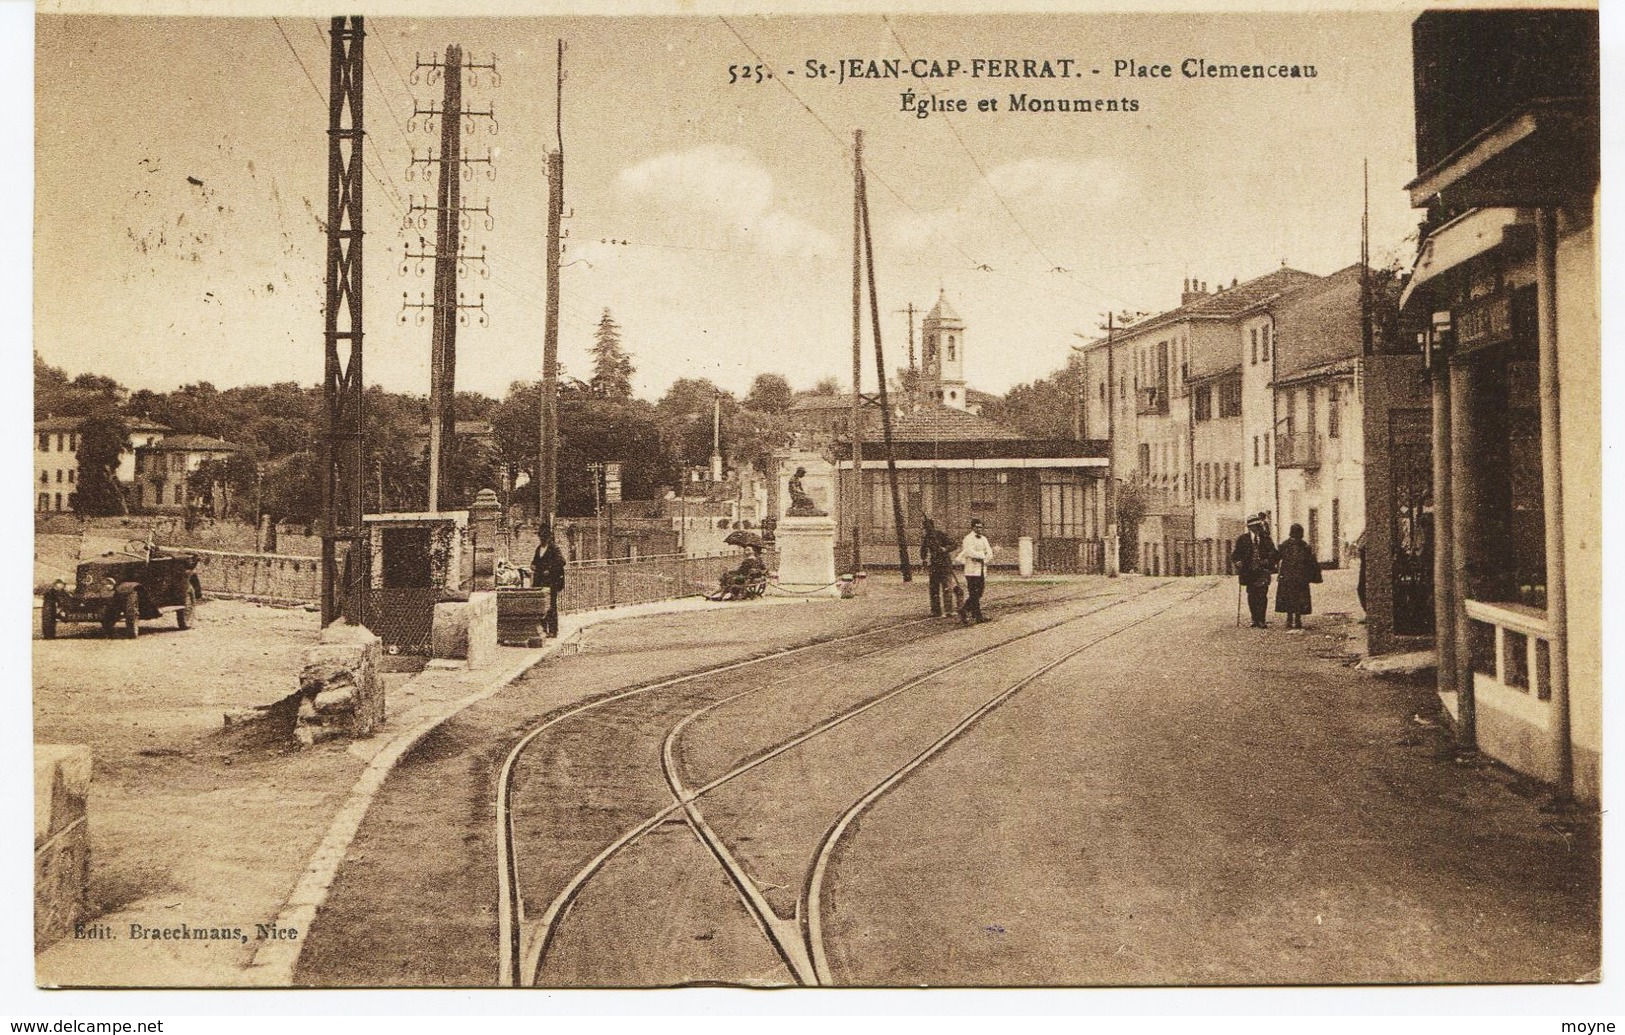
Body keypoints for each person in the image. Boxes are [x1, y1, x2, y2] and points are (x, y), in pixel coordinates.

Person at [1231, 512, 1279, 629]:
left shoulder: (1266, 539)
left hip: (1262, 571)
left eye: (1258, 526)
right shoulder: (1243, 539)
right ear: (1249, 527)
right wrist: (1238, 562)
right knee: (1252, 595)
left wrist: (1268, 560)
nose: (1257, 528)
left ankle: (1261, 619)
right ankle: (1254, 618)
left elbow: (1274, 553)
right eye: (1254, 527)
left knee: (1262, 595)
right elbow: (1235, 555)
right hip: (1249, 571)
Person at [1274, 523, 1322, 631]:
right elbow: (1312, 562)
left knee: (1290, 598)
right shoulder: (1304, 546)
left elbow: (1276, 557)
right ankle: (1296, 619)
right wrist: (1314, 576)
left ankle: (1290, 619)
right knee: (1298, 598)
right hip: (1299, 577)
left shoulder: (1285, 545)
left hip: (1289, 576)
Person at [956, 518, 995, 624]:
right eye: (977, 527)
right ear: (972, 527)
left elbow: (990, 553)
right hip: (971, 570)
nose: (979, 529)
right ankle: (978, 616)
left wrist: (983, 558)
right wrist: (982, 555)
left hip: (981, 569)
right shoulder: (968, 538)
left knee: (980, 592)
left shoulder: (984, 539)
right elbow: (969, 552)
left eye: (981, 527)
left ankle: (964, 609)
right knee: (974, 593)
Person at [530, 524, 566, 638]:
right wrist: (533, 565)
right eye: (541, 537)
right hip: (539, 582)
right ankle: (543, 629)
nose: (542, 539)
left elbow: (562, 562)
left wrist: (549, 570)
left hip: (551, 582)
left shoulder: (554, 548)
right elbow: (535, 562)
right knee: (541, 605)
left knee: (551, 606)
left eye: (544, 537)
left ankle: (553, 631)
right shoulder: (539, 549)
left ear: (548, 537)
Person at [919, 516, 956, 617]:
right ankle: (935, 610)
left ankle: (949, 610)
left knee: (947, 588)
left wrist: (944, 549)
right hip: (934, 566)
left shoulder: (941, 535)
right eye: (925, 528)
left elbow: (953, 544)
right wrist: (924, 559)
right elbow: (923, 551)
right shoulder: (926, 538)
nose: (925, 530)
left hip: (945, 565)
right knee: (934, 589)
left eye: (927, 528)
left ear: (931, 527)